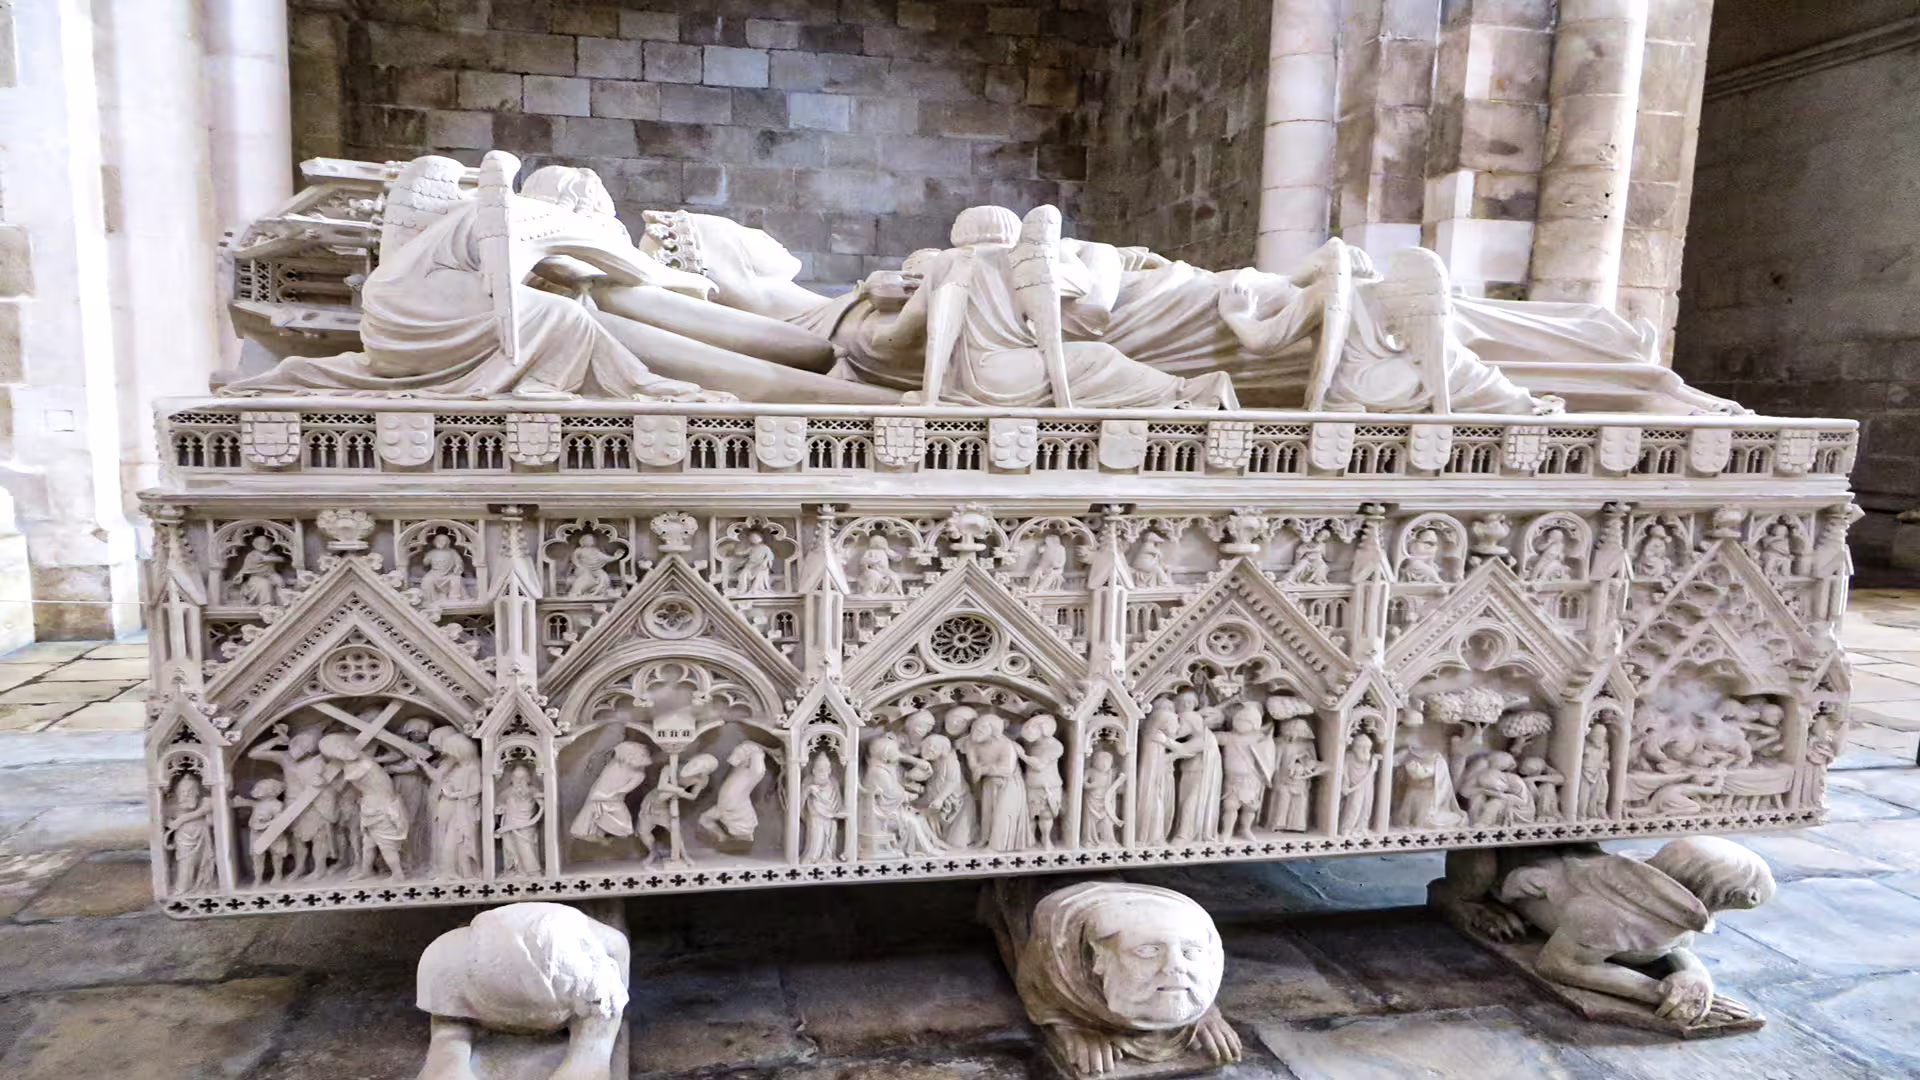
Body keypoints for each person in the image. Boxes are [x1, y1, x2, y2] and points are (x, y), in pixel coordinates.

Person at [318, 733, 410, 882]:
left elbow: (350, 777)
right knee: (368, 844)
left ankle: (397, 874)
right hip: (369, 805)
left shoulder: (364, 764)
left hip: (382, 807)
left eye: (342, 747)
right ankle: (366, 870)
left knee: (386, 845)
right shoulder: (357, 762)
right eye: (337, 751)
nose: (343, 752)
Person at [967, 713, 1032, 852]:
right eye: (975, 727)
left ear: (993, 730)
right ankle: (986, 838)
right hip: (989, 783)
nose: (976, 731)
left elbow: (1007, 769)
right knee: (988, 813)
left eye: (982, 728)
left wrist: (984, 769)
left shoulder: (1006, 745)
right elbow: (973, 766)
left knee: (1003, 813)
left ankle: (996, 846)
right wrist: (981, 770)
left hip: (1009, 784)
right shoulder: (972, 744)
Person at [426, 728, 484, 880]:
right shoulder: (457, 766)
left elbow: (476, 789)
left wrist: (454, 794)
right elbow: (442, 780)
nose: (448, 755)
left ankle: (463, 873)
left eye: (451, 752)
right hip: (449, 809)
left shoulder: (473, 768)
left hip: (462, 812)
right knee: (445, 842)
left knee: (457, 844)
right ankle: (449, 872)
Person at [1216, 703, 1277, 840]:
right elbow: (1214, 737)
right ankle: (1227, 831)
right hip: (1232, 779)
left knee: (1250, 807)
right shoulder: (1229, 737)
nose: (1240, 724)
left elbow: (1267, 754)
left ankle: (1245, 829)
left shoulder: (1259, 739)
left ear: (1254, 724)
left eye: (1245, 721)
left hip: (1252, 778)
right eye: (1238, 720)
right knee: (1230, 806)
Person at [570, 741, 651, 843]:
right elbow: (602, 780)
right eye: (628, 755)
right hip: (600, 795)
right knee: (592, 817)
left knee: (623, 827)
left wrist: (606, 796)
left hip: (614, 799)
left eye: (635, 755)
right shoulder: (616, 764)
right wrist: (598, 794)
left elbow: (624, 790)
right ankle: (597, 837)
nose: (629, 758)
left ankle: (609, 839)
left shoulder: (639, 775)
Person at [164, 772, 218, 894]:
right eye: (182, 791)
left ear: (197, 792)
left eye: (190, 790)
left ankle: (204, 886)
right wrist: (170, 823)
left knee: (203, 861)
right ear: (177, 793)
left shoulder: (206, 802)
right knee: (186, 862)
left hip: (201, 835)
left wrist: (182, 819)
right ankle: (182, 888)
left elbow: (206, 812)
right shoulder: (172, 806)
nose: (186, 794)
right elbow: (165, 818)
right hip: (184, 838)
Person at [233, 777, 292, 886]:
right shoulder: (257, 803)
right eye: (257, 788)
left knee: (276, 855)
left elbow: (279, 821)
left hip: (273, 834)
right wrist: (239, 801)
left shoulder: (276, 805)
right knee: (257, 856)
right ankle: (258, 878)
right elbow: (245, 803)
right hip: (256, 833)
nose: (256, 790)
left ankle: (277, 875)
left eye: (260, 789)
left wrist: (267, 823)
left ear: (271, 792)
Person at [1020, 715, 1066, 850]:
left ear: (1044, 728)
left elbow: (1039, 765)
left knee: (1045, 815)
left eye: (1032, 727)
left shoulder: (1055, 746)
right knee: (1029, 815)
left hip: (1048, 785)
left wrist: (1021, 754)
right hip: (1030, 784)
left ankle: (1046, 839)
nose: (1028, 731)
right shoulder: (1029, 744)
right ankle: (1030, 840)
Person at [495, 764, 544, 875]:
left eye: (523, 777)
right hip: (510, 823)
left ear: (528, 778)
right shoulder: (507, 792)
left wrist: (542, 801)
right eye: (516, 777)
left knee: (526, 847)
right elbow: (499, 804)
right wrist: (501, 809)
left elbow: (541, 802)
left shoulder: (532, 790)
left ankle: (532, 871)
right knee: (511, 847)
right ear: (511, 778)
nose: (519, 781)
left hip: (527, 825)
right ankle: (514, 869)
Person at [800, 752, 846, 863]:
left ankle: (827, 856)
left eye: (825, 768)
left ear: (829, 770)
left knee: (830, 838)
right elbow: (800, 799)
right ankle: (812, 857)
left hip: (831, 815)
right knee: (816, 837)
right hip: (815, 815)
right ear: (813, 770)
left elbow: (838, 799)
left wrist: (838, 811)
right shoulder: (808, 781)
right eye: (819, 768)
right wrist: (809, 789)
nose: (822, 771)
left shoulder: (833, 782)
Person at [1082, 749, 1123, 847]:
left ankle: (1109, 840)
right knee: (1090, 821)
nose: (1105, 765)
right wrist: (1092, 785)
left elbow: (1116, 787)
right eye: (1102, 761)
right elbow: (1083, 784)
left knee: (1107, 821)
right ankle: (1089, 840)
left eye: (1108, 762)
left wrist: (1120, 781)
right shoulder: (1090, 771)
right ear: (1095, 761)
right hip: (1091, 800)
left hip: (1106, 801)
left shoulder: (1111, 773)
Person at [418, 533, 468, 604]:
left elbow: (459, 563)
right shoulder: (432, 553)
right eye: (438, 540)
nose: (440, 542)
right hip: (434, 574)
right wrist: (425, 557)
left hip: (449, 575)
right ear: (435, 542)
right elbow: (425, 563)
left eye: (443, 540)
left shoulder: (452, 552)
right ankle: (432, 599)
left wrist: (457, 569)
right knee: (427, 581)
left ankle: (454, 598)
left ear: (447, 542)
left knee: (457, 579)